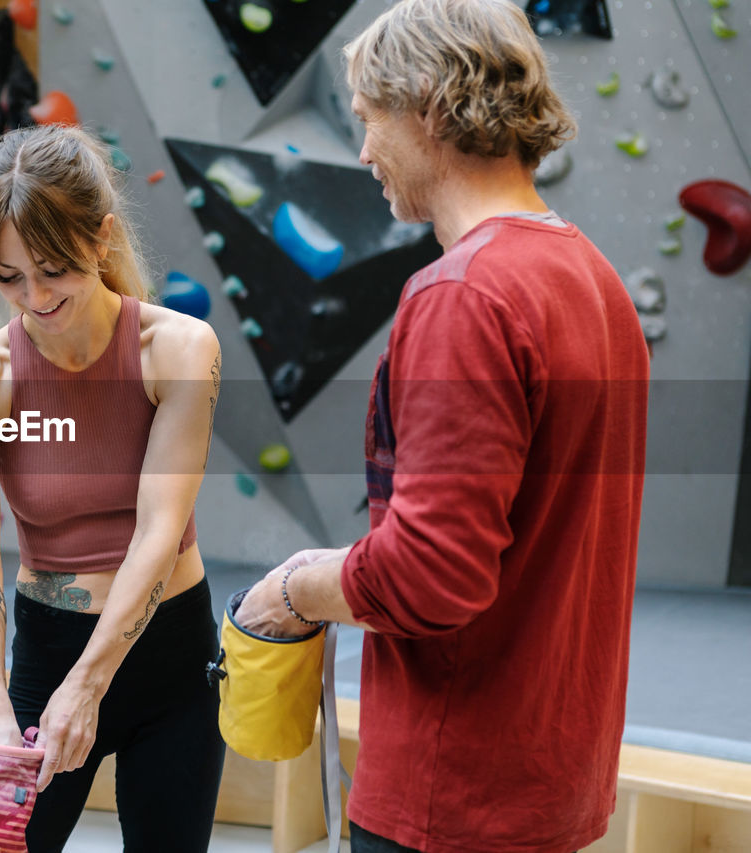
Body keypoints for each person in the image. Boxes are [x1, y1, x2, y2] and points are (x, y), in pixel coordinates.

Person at [235, 1, 650, 851]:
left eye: (366, 118)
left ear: (426, 101)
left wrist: (293, 589)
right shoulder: (595, 279)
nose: (362, 153)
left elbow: (432, 575)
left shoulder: (463, 294)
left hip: (451, 790)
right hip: (550, 779)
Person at [0, 124, 225, 852]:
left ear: (100, 240)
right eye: (9, 277)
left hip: (169, 657)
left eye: (53, 269)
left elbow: (159, 530)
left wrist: (90, 683)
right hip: (46, 651)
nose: (34, 297)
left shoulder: (179, 351)